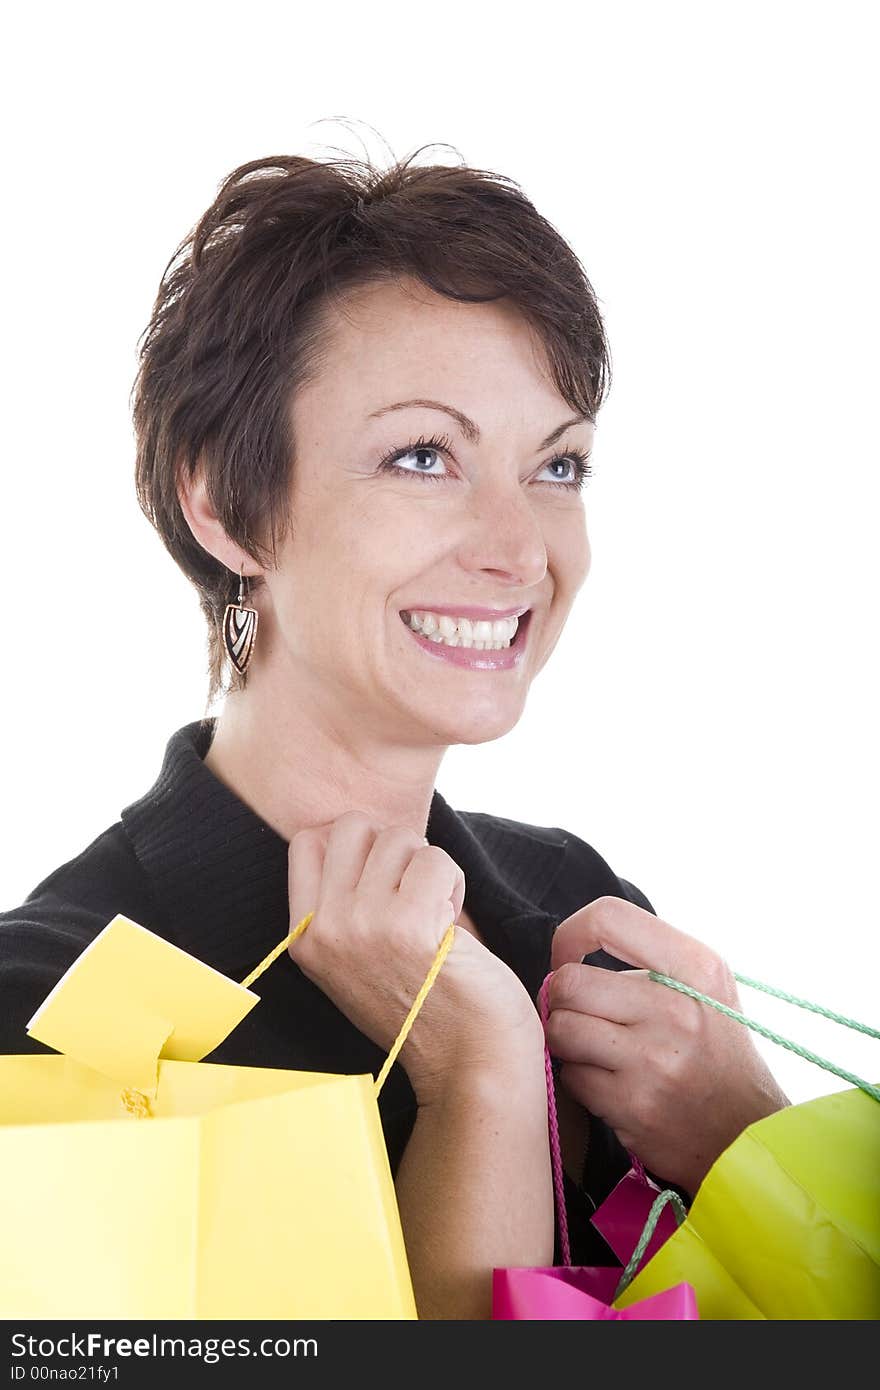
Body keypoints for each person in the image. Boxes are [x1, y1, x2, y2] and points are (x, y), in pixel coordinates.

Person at [0, 148, 788, 1320]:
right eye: (424, 457)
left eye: (556, 465)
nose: (520, 551)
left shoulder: (583, 914)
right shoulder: (47, 1007)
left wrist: (749, 1141)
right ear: (223, 500)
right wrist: (481, 1082)